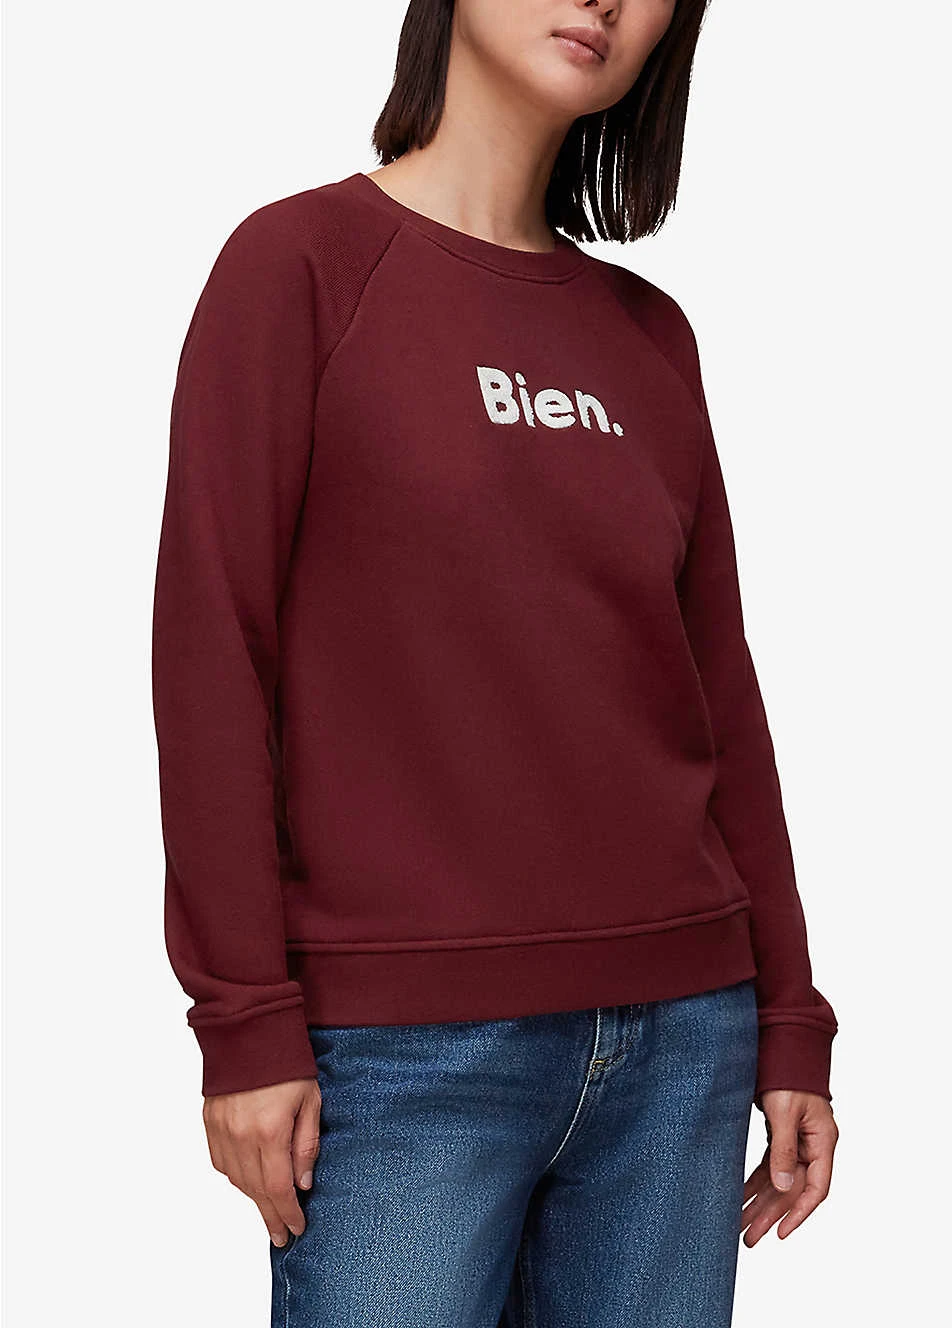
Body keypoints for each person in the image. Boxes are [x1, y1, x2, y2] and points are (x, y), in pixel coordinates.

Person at [151, 0, 840, 1323]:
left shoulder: (650, 337)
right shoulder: (298, 268)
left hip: (683, 1044)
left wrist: (789, 1016)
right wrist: (241, 1017)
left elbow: (719, 697)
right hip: (402, 1053)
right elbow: (212, 651)